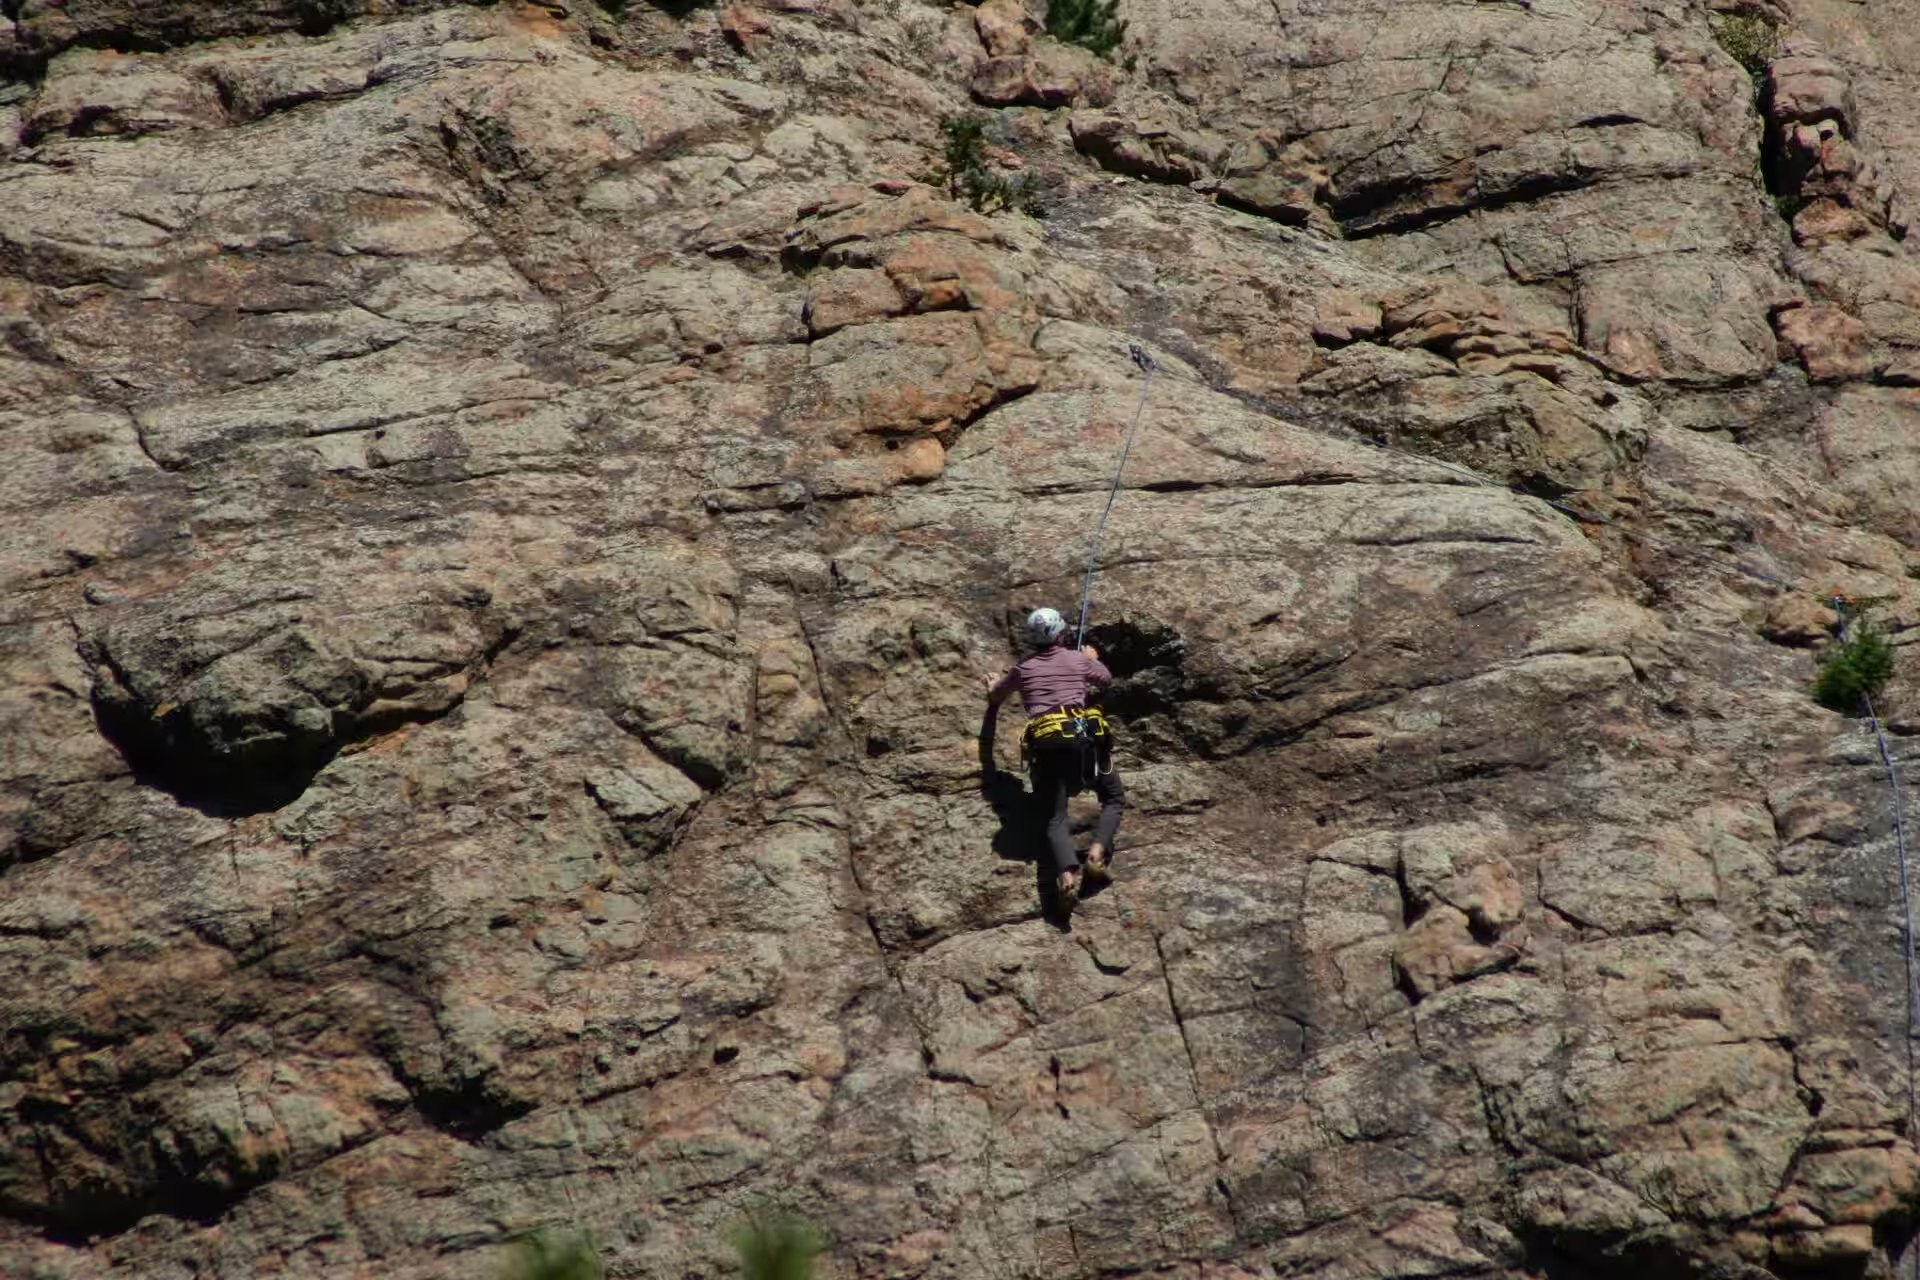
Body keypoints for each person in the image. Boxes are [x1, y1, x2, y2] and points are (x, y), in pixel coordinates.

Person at [982, 607, 1126, 909]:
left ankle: (1066, 878)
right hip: (1082, 740)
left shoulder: (1023, 669)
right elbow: (1106, 680)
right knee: (1112, 796)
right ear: (1061, 633)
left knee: (1055, 816)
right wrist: (1090, 659)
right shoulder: (1076, 659)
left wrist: (993, 683)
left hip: (1045, 744)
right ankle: (1097, 854)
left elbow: (996, 696)